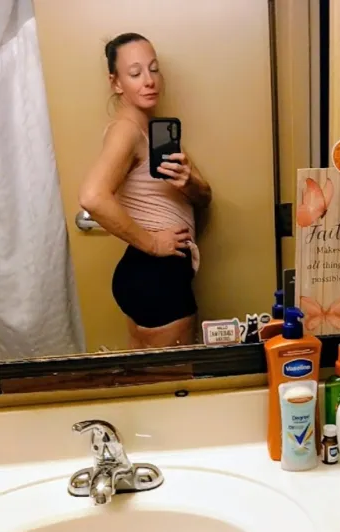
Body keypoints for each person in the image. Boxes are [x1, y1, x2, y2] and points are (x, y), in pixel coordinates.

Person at [79, 32, 211, 349]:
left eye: (153, 69)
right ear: (116, 83)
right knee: (173, 376)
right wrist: (153, 243)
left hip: (151, 275)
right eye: (135, 73)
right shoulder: (126, 130)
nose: (149, 81)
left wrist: (190, 183)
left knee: (146, 375)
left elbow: (205, 199)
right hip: (156, 275)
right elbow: (92, 197)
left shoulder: (153, 132)